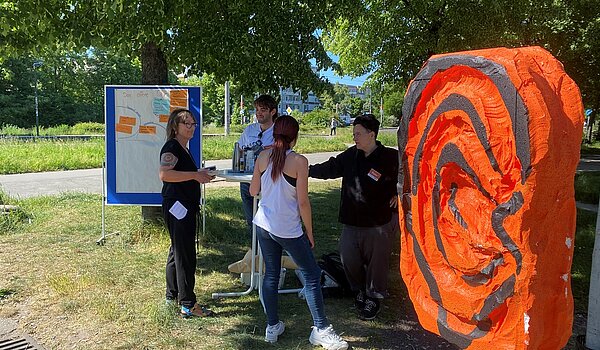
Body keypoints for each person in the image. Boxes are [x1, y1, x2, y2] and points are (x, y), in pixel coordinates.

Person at [250, 115, 348, 350]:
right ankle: (321, 329)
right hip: (287, 228)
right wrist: (310, 232)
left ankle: (272, 326)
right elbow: (303, 203)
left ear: (274, 135)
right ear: (295, 137)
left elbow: (254, 190)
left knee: (271, 275)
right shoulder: (300, 162)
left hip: (264, 225)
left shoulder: (263, 157)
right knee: (312, 275)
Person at [309, 114, 399, 321]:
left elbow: (407, 177)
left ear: (372, 134)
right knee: (348, 258)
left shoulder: (390, 158)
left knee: (378, 262)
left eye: (358, 134)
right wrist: (304, 169)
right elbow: (329, 168)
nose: (355, 137)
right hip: (351, 221)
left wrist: (399, 194)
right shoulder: (351, 155)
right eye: (354, 134)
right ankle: (358, 290)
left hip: (378, 222)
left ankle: (374, 297)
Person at [159, 108, 215, 318]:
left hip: (183, 206)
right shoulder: (172, 146)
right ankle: (188, 304)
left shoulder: (182, 147)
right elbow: (165, 174)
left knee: (177, 251)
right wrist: (195, 175)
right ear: (175, 127)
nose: (192, 128)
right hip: (178, 207)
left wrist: (199, 175)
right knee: (185, 255)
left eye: (193, 124)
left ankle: (171, 295)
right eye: (187, 124)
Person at [238, 94, 278, 233]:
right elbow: (239, 149)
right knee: (251, 221)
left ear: (272, 112)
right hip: (247, 180)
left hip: (269, 181)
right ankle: (255, 251)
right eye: (257, 110)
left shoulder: (278, 131)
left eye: (263, 110)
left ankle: (267, 252)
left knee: (267, 221)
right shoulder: (250, 130)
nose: (258, 113)